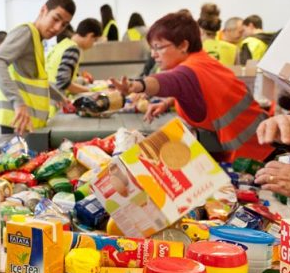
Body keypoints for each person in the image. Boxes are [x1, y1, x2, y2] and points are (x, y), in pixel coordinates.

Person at [111, 12, 272, 162]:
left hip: (253, 154)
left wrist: (136, 85)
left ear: (183, 45)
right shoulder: (201, 62)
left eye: (158, 47)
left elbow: (169, 80)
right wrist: (168, 103)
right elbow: (199, 91)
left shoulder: (190, 70)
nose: (153, 55)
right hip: (258, 141)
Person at [0, 0, 75, 156]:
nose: (57, 28)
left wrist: (60, 98)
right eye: (55, 19)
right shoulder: (26, 32)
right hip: (6, 126)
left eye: (64, 25)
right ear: (43, 10)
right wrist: (18, 103)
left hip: (14, 128)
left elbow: (35, 81)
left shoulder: (37, 41)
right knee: (4, 180)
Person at [45, 18, 102, 97]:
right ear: (90, 36)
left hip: (48, 97)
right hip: (56, 102)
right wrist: (90, 91)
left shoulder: (62, 44)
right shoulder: (73, 49)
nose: (93, 45)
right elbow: (63, 83)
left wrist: (82, 81)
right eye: (95, 40)